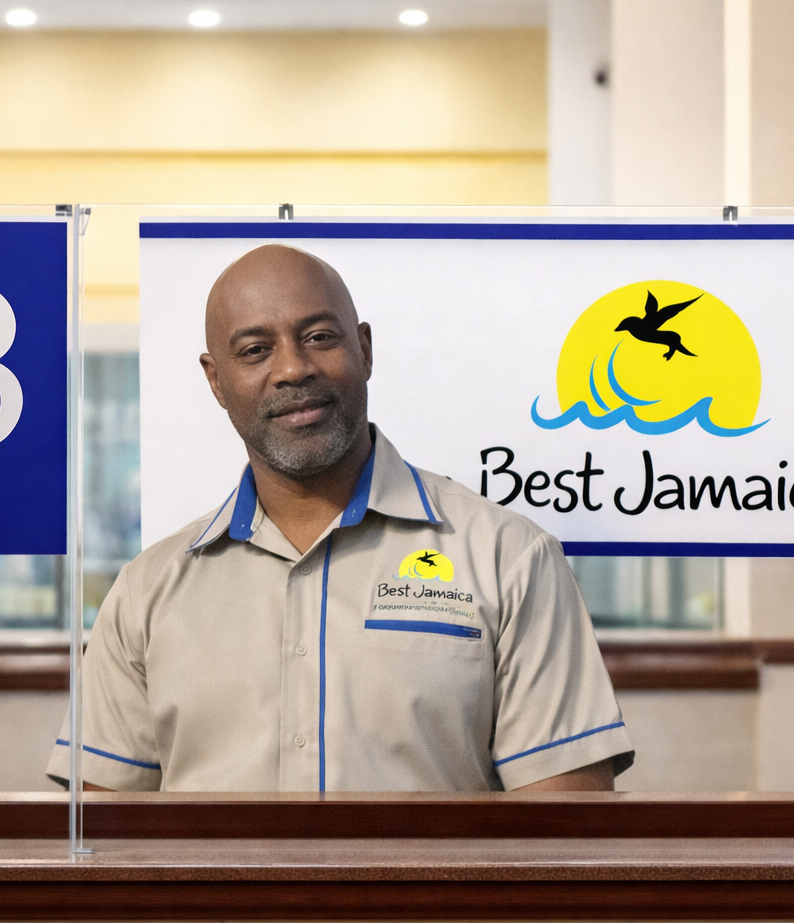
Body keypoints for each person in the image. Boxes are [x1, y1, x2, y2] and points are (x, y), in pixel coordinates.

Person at [47, 244, 633, 792]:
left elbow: (564, 836)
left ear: (366, 350)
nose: (293, 369)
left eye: (320, 337)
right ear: (215, 381)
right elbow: (100, 844)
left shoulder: (509, 558)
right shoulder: (147, 590)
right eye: (255, 350)